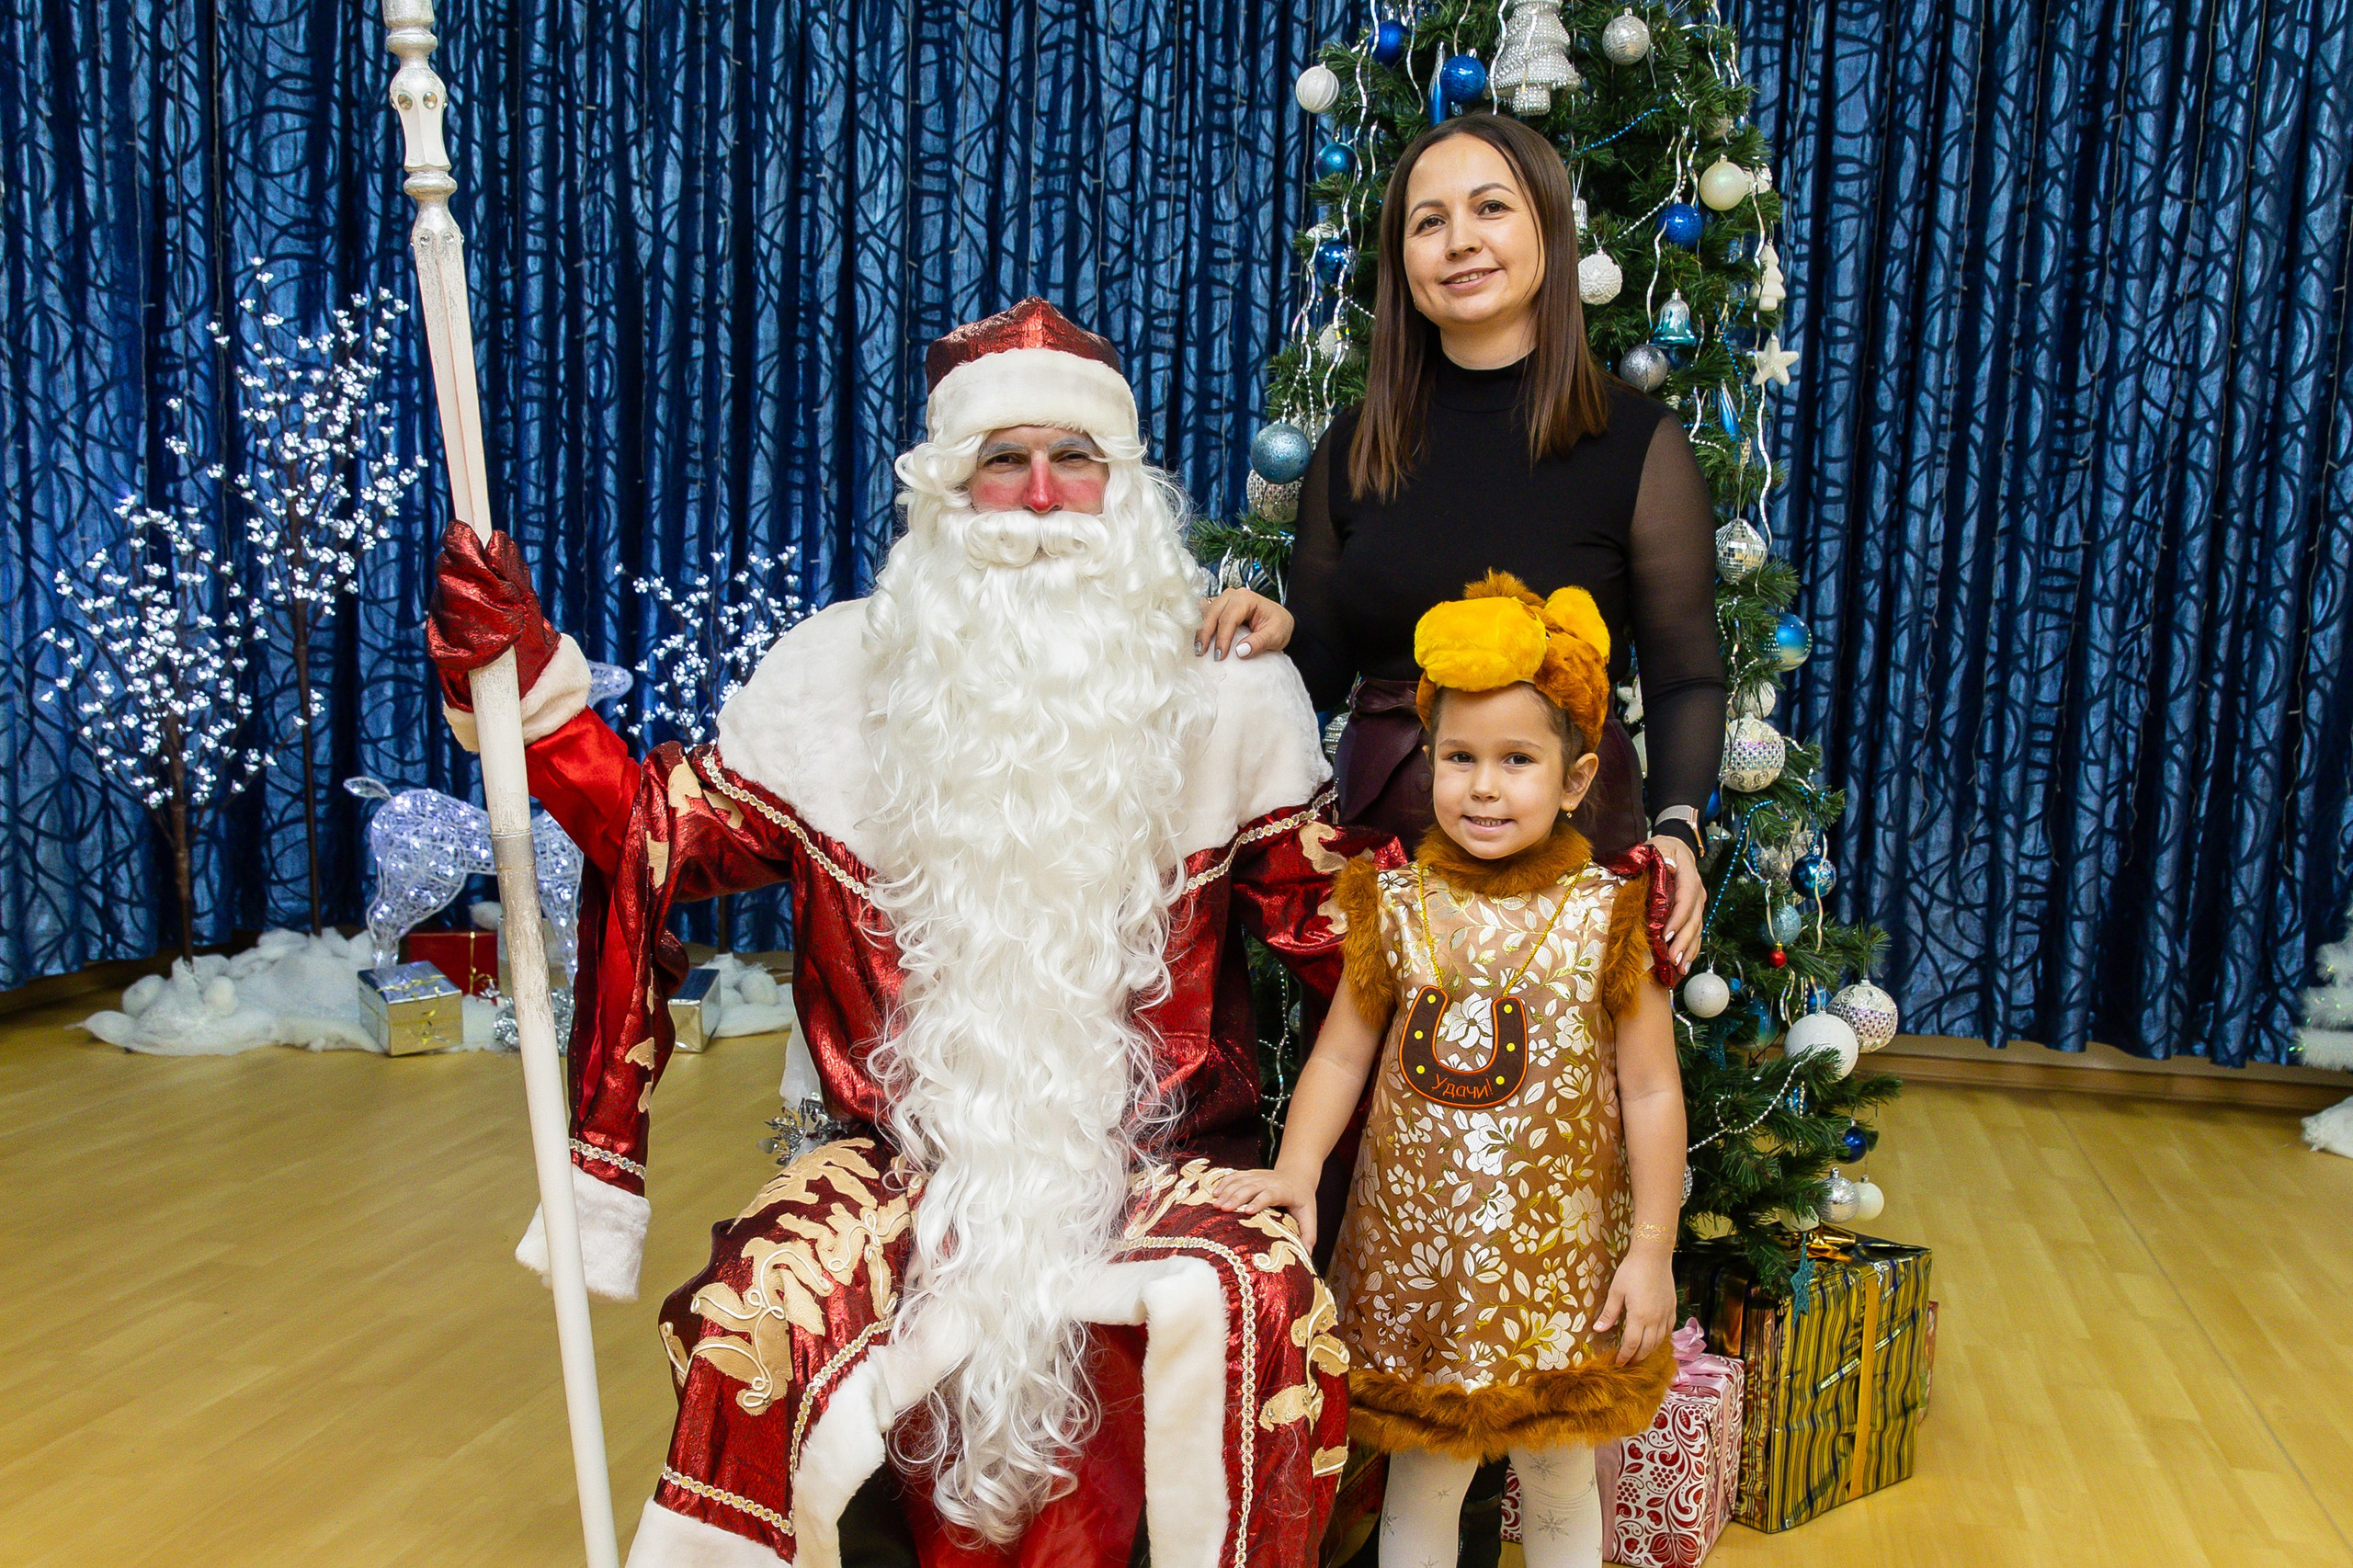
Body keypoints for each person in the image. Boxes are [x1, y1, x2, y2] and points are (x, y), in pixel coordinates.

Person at [426, 299, 1400, 1568]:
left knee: (1256, 1302)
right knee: (751, 1315)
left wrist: (1533, 916)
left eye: (1074, 459)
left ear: (1125, 488)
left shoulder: (1230, 695)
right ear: (948, 488)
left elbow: (1352, 946)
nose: (1041, 495)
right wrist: (532, 689)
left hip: (1165, 1167)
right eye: (1004, 459)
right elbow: (656, 834)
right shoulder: (835, 677)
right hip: (898, 1162)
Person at [1212, 574, 1685, 1568]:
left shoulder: (1608, 918)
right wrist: (1297, 1170)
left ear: (1573, 777)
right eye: (1459, 756)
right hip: (1418, 1265)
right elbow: (1342, 1052)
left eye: (1516, 760)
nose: (1481, 785)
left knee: (1557, 1474)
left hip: (1560, 1271)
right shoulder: (1393, 901)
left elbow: (1649, 1089)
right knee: (1423, 1473)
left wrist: (1651, 1247)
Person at [1197, 111, 1724, 973]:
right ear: (1402, 262)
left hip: (1573, 860)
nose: (1459, 242)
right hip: (1381, 868)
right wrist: (1280, 631)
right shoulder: (1353, 443)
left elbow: (1686, 671)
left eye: (1490, 208)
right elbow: (1323, 673)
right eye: (1428, 221)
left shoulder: (1639, 444)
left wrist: (1677, 833)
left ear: (1548, 231)